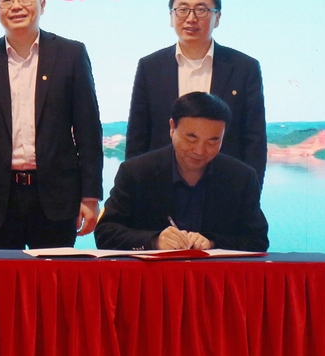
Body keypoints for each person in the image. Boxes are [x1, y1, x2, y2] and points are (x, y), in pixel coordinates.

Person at [0, 0, 103, 249]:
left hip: (57, 198)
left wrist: (91, 196)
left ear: (42, 5)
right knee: (0, 277)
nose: (16, 6)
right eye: (6, 0)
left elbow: (89, 131)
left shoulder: (70, 54)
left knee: (55, 276)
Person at [125, 0, 267, 183]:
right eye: (183, 10)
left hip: (225, 185)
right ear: (171, 17)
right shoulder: (150, 66)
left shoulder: (244, 67)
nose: (191, 18)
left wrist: (251, 193)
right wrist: (133, 188)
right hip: (160, 184)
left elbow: (255, 139)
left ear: (217, 18)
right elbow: (137, 135)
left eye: (201, 10)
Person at [96, 91, 269, 251]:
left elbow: (257, 240)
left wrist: (213, 242)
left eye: (212, 142)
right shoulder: (136, 172)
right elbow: (105, 233)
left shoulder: (241, 178)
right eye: (191, 139)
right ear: (172, 128)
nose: (200, 151)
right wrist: (154, 241)